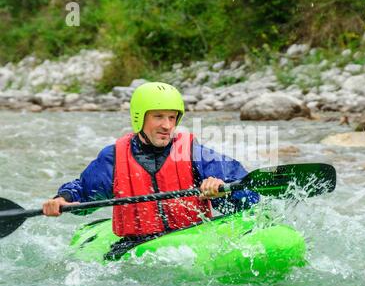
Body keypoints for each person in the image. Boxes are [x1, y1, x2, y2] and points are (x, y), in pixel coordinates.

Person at [42, 82, 259, 240]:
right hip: (136, 245)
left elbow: (248, 192)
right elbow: (83, 191)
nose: (167, 125)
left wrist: (222, 191)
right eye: (158, 116)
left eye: (172, 118)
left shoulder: (195, 154)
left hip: (192, 237)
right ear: (140, 117)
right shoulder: (114, 157)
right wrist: (62, 198)